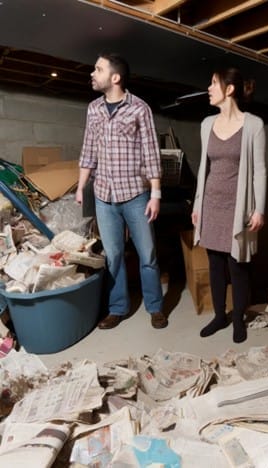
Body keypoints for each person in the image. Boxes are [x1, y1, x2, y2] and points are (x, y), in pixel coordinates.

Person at [76, 52, 167, 330]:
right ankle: (117, 308)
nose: (92, 73)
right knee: (113, 256)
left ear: (115, 77)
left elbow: (151, 152)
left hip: (135, 195)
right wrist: (81, 187)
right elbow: (88, 150)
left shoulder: (139, 108)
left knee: (147, 254)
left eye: (98, 69)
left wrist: (155, 194)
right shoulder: (93, 109)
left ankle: (155, 307)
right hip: (104, 196)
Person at [191, 67, 267, 343]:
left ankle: (238, 320)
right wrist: (197, 205)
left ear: (230, 89)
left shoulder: (254, 125)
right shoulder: (206, 124)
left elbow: (259, 170)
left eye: (213, 83)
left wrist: (259, 209)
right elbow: (204, 168)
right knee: (215, 263)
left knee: (238, 264)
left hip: (238, 207)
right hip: (211, 204)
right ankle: (219, 316)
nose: (209, 88)